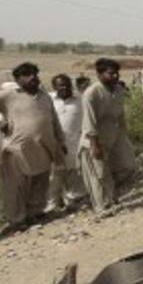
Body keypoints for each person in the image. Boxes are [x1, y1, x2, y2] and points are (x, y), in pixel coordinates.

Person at [0, 63, 66, 231]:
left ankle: (34, 214)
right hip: (17, 149)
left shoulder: (45, 96)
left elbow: (54, 121)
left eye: (35, 73)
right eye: (27, 74)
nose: (33, 77)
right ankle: (16, 220)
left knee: (40, 182)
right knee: (15, 186)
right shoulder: (8, 95)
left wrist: (61, 141)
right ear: (17, 79)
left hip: (44, 147)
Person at [79, 58, 138, 213]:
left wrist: (125, 137)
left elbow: (120, 115)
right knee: (98, 174)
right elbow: (89, 121)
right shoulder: (92, 93)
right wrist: (94, 145)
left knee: (128, 166)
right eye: (111, 73)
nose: (115, 76)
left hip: (115, 137)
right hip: (95, 140)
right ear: (99, 74)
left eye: (117, 73)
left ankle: (111, 195)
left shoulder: (118, 90)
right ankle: (102, 207)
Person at [47, 74, 86, 211]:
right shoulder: (48, 99)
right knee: (53, 176)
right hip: (53, 145)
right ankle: (52, 206)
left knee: (73, 173)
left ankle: (72, 201)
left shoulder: (80, 99)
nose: (64, 87)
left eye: (66, 84)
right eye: (60, 85)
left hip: (74, 144)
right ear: (54, 87)